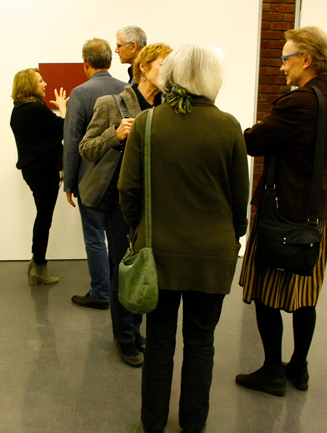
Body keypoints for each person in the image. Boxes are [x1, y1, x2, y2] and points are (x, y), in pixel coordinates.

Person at [118, 44, 249, 433]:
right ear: (212, 80)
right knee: (201, 342)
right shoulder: (228, 126)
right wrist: (232, 237)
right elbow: (239, 199)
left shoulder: (148, 123)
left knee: (159, 342)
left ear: (171, 77)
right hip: (212, 255)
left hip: (159, 253)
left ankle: (153, 421)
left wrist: (139, 232)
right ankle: (193, 422)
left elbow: (128, 190)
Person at [235, 26, 327, 396]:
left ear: (307, 59)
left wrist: (246, 129)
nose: (282, 66)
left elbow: (254, 142)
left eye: (286, 59)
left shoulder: (299, 103)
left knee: (266, 292)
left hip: (282, 212)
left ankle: (272, 370)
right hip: (316, 213)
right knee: (305, 294)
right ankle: (299, 368)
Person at [79, 43, 173, 367]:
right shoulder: (111, 103)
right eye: (162, 64)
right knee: (123, 267)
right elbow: (86, 148)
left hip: (155, 201)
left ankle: (134, 327)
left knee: (145, 265)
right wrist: (115, 134)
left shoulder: (168, 106)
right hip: (120, 200)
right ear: (143, 67)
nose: (168, 71)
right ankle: (124, 337)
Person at [63, 38, 128, 310]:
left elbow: (72, 140)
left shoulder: (80, 93)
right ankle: (119, 292)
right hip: (122, 177)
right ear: (110, 62)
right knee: (119, 239)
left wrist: (69, 183)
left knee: (94, 236)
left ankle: (100, 293)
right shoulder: (127, 89)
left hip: (90, 179)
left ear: (85, 63)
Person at [10, 68, 68, 285]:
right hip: (43, 172)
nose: (45, 84)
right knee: (44, 218)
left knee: (42, 216)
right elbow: (63, 128)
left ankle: (35, 261)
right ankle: (39, 268)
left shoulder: (19, 108)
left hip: (33, 171)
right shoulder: (35, 109)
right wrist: (63, 107)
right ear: (29, 86)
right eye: (40, 80)